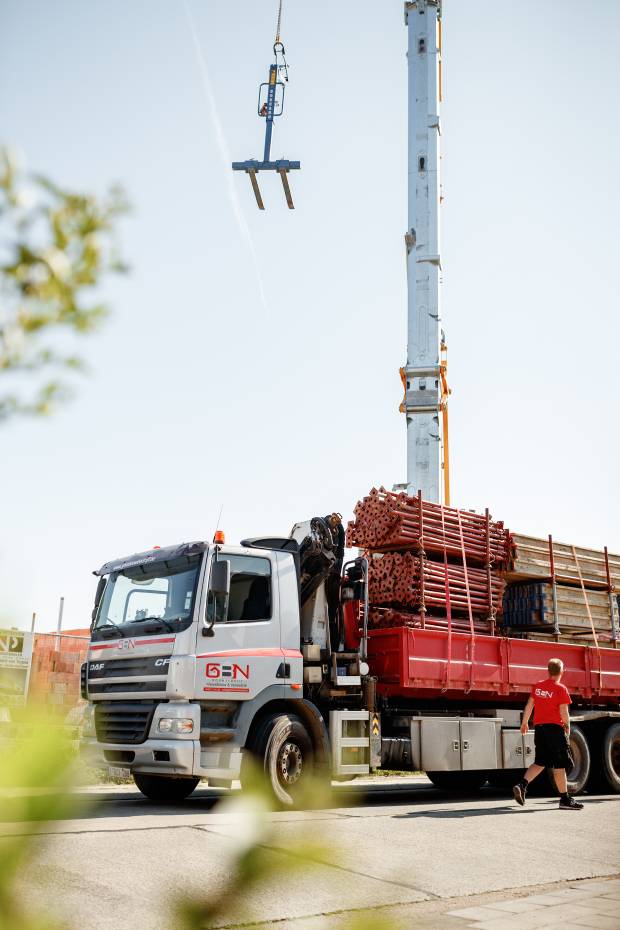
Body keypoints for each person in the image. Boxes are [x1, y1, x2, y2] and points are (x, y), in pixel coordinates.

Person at [513, 658, 584, 810]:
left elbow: (530, 704)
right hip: (555, 730)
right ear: (562, 672)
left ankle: (522, 784)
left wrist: (525, 722)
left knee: (540, 761)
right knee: (559, 765)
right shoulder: (561, 688)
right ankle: (565, 799)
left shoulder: (538, 686)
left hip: (540, 729)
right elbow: (564, 711)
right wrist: (567, 726)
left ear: (548, 671)